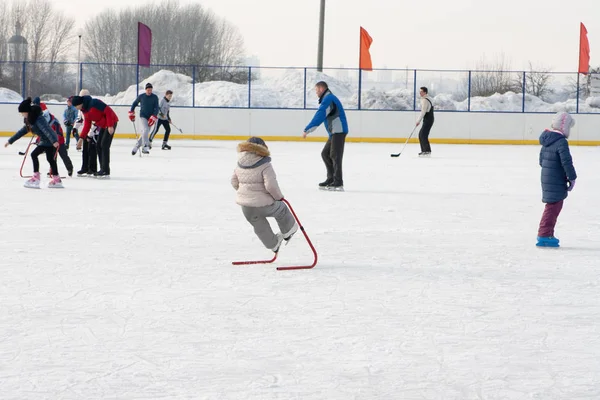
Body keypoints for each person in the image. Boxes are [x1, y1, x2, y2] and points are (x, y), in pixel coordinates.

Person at [231, 137, 298, 253]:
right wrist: (278, 198)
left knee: (258, 225)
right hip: (263, 205)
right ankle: (288, 231)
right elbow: (271, 186)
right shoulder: (265, 164)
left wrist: (244, 194)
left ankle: (273, 244)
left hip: (246, 207)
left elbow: (234, 182)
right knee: (281, 208)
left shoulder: (239, 164)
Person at [536, 112, 577, 248]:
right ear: (564, 127)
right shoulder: (561, 142)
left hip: (547, 176)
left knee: (553, 206)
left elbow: (541, 161)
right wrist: (572, 178)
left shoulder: (548, 140)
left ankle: (548, 233)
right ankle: (544, 235)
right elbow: (566, 161)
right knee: (553, 207)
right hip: (556, 179)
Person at [4, 97, 62, 188]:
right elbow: (22, 131)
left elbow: (46, 129)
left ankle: (37, 178)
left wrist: (54, 141)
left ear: (27, 111)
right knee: (50, 159)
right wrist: (10, 141)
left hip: (49, 140)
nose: (22, 115)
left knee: (36, 155)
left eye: (22, 113)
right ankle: (56, 179)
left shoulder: (38, 118)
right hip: (45, 140)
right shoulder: (30, 120)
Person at [302, 81, 349, 191]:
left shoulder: (328, 99)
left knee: (335, 155)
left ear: (322, 89)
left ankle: (338, 182)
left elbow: (320, 115)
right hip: (334, 132)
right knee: (325, 154)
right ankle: (331, 178)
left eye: (317, 90)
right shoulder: (328, 98)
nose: (316, 92)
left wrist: (308, 129)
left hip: (339, 131)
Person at [73, 95, 119, 178]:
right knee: (98, 145)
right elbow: (87, 124)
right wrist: (81, 138)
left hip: (111, 122)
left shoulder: (94, 103)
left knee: (104, 145)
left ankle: (105, 170)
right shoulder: (84, 110)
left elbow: (108, 111)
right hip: (103, 125)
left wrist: (110, 125)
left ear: (80, 103)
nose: (76, 108)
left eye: (76, 106)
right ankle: (103, 169)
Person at [129, 82, 159, 155]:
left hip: (151, 118)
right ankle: (145, 146)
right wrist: (131, 111)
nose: (149, 91)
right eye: (148, 90)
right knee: (146, 130)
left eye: (150, 90)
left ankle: (136, 147)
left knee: (145, 132)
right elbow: (134, 103)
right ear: (145, 90)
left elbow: (157, 107)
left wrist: (154, 116)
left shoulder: (155, 97)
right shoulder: (141, 96)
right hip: (143, 116)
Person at [415, 86, 434, 157]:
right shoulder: (427, 98)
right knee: (422, 134)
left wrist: (418, 121)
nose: (420, 93)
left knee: (422, 135)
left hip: (428, 119)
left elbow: (423, 112)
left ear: (425, 92)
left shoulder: (425, 100)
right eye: (419, 91)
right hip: (428, 118)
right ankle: (426, 150)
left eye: (421, 91)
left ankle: (426, 151)